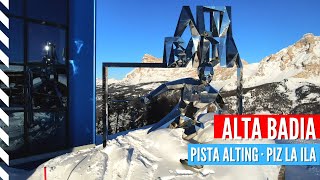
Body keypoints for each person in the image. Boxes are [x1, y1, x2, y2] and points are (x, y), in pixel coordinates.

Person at [141, 62, 225, 139]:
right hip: (175, 117)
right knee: (153, 136)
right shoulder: (189, 82)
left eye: (211, 73)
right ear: (200, 72)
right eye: (206, 72)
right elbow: (167, 86)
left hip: (191, 125)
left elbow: (223, 109)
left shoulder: (213, 92)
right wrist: (150, 96)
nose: (208, 76)